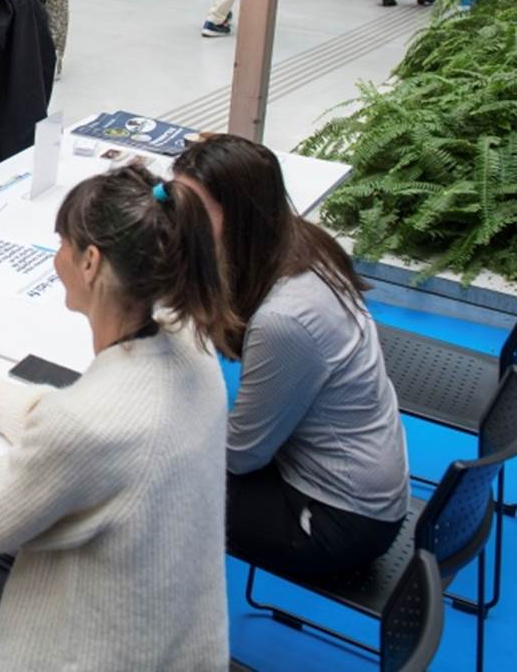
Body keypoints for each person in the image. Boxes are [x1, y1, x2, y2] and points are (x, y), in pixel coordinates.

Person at [0, 163, 232, 669]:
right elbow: (86, 425)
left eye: (62, 244)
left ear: (90, 263)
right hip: (181, 638)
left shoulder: (88, 424)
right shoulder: (189, 343)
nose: (54, 259)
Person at [173, 135, 408, 576]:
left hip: (340, 519)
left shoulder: (285, 320)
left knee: (152, 481)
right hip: (360, 474)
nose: (180, 223)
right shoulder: (298, 241)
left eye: (194, 212)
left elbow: (239, 454)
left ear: (238, 216)